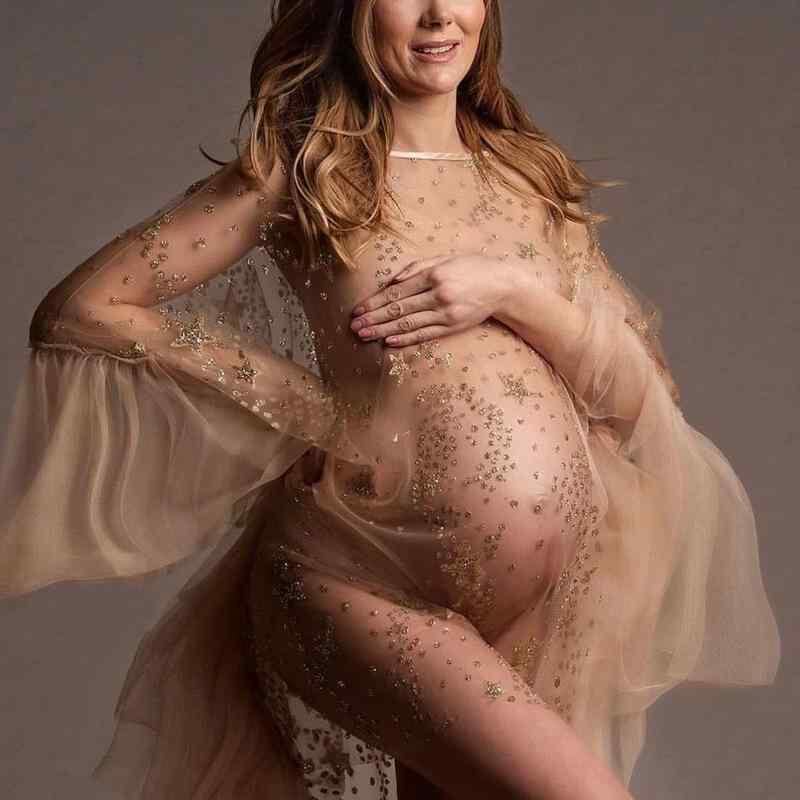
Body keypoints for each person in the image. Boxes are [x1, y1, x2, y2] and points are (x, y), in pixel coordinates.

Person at [0, 1, 781, 798]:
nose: (439, 14)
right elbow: (85, 307)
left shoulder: (529, 177)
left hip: (532, 608)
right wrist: (300, 402)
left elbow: (642, 396)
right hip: (363, 577)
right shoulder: (303, 171)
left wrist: (513, 292)